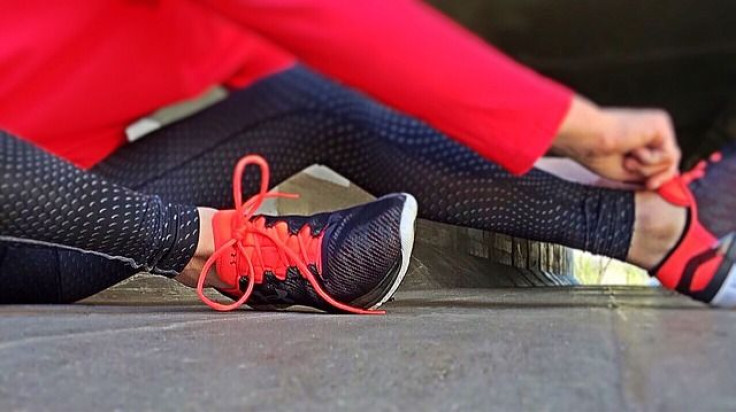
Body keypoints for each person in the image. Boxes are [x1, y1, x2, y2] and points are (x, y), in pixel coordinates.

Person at [0, 1, 733, 312]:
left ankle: (657, 234)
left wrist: (551, 164)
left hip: (62, 213)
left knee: (319, 100)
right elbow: (348, 21)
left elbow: (367, 72)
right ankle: (209, 249)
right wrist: (583, 126)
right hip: (28, 228)